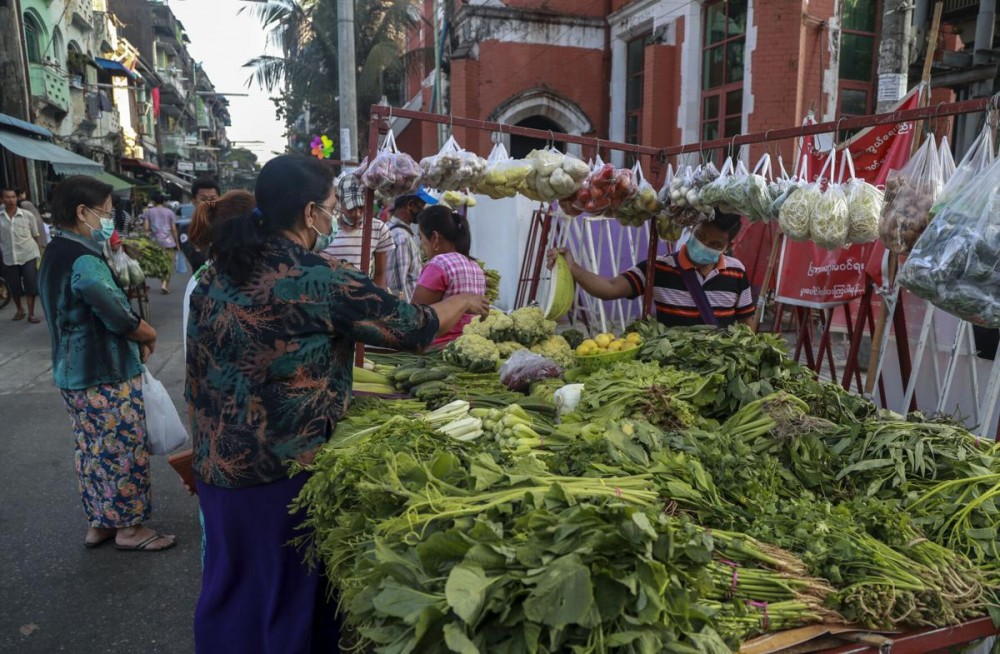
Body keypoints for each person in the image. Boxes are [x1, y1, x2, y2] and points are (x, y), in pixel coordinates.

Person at [186, 154, 489, 653]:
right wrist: (458, 303)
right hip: (281, 473)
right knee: (286, 599)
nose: (332, 216)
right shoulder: (317, 276)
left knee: (231, 588)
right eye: (329, 207)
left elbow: (200, 367)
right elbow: (412, 327)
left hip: (216, 463)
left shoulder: (219, 269)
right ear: (309, 213)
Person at [37, 175, 174, 552]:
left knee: (92, 450)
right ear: (83, 213)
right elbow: (112, 309)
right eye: (107, 214)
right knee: (121, 449)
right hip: (105, 373)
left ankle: (100, 523)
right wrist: (145, 332)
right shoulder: (83, 259)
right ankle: (130, 529)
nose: (110, 221)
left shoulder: (54, 251)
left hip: (72, 373)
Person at [548, 210, 754, 327]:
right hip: (673, 371)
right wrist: (573, 267)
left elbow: (746, 321)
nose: (704, 245)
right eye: (701, 236)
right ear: (692, 229)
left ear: (728, 247)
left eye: (715, 245)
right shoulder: (659, 268)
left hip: (719, 367)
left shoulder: (737, 272)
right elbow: (609, 288)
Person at [411, 205, 486, 347]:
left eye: (421, 238)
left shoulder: (439, 264)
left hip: (436, 350)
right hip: (465, 347)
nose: (421, 245)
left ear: (435, 237)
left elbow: (415, 318)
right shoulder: (475, 266)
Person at [321, 172, 394, 288]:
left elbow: (380, 273)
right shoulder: (325, 228)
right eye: (351, 208)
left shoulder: (378, 229)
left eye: (361, 207)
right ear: (339, 200)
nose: (357, 214)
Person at [1, 187, 44, 323]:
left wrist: (38, 251)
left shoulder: (27, 215)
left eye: (13, 197)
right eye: (7, 197)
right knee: (14, 286)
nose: (11, 200)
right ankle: (20, 309)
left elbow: (35, 235)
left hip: (28, 254)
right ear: (2, 200)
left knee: (30, 284)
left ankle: (31, 313)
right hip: (9, 256)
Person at [385, 188, 436, 301]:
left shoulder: (393, 230)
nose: (423, 210)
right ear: (410, 205)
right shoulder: (401, 237)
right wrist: (407, 315)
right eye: (422, 206)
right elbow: (398, 287)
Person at [142, 193, 180, 294]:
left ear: (153, 202)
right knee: (168, 264)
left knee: (160, 264)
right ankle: (165, 284)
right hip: (169, 242)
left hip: (155, 243)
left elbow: (146, 228)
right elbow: (174, 229)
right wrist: (177, 243)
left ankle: (162, 282)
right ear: (163, 202)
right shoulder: (170, 212)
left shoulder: (148, 212)